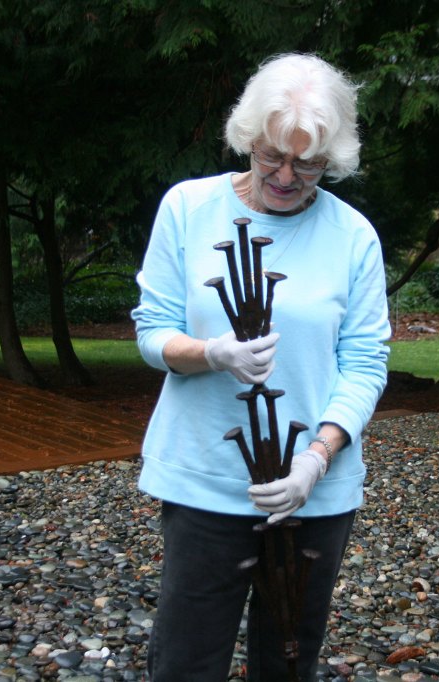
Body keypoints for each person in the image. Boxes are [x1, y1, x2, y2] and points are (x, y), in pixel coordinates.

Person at [131, 53, 391, 681]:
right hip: (204, 480)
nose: (285, 174)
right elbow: (152, 331)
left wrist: (317, 458)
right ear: (248, 137)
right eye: (272, 154)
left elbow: (364, 362)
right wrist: (210, 353)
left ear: (333, 158)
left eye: (307, 162)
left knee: (288, 661)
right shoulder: (189, 208)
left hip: (313, 494)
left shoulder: (353, 236)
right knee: (187, 663)